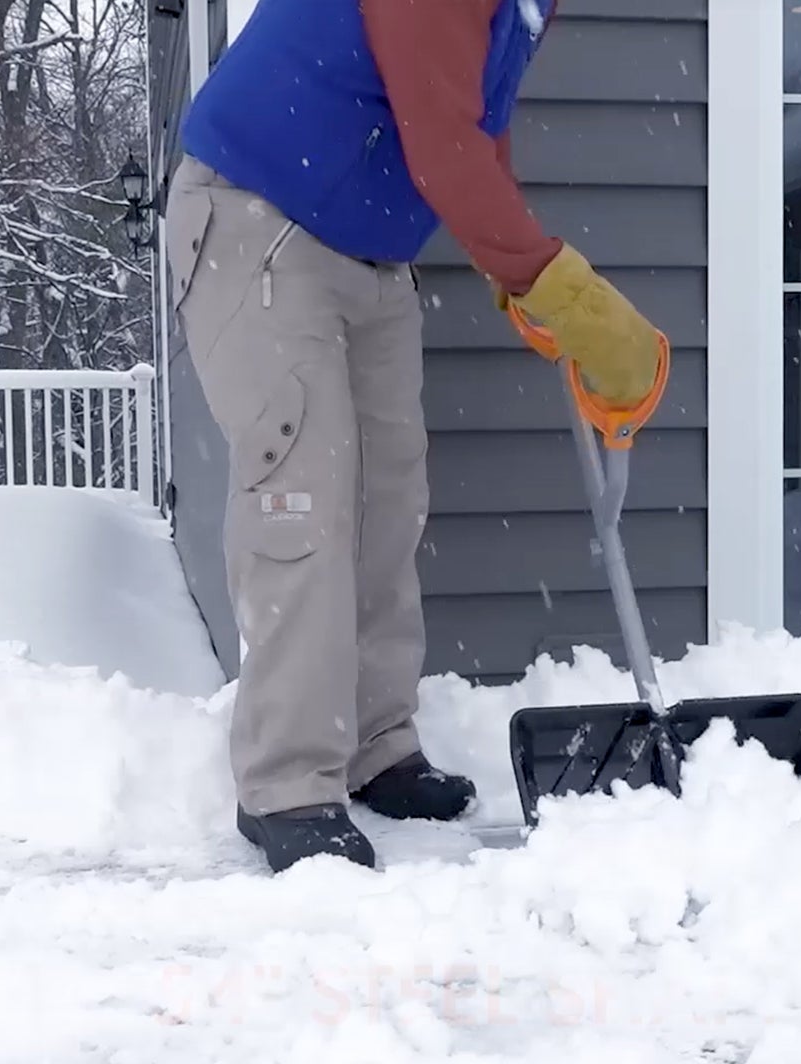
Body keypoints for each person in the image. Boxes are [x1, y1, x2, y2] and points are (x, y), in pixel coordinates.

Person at [162, 0, 664, 872]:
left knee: (388, 501)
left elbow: (476, 129)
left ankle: (373, 741)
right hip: (257, 217)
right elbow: (441, 144)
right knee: (302, 496)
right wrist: (553, 284)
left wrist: (522, 273)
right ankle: (286, 781)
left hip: (371, 253)